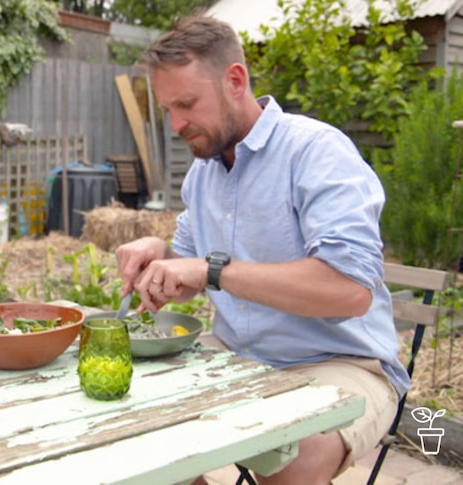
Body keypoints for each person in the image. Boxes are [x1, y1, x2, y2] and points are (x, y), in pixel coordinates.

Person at [115, 11, 405, 485]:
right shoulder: (204, 172)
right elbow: (187, 271)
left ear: (235, 80)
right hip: (235, 357)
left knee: (289, 458)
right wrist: (159, 254)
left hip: (339, 363)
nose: (176, 125)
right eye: (169, 110)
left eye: (186, 104)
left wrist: (211, 271)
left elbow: (350, 290)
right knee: (128, 431)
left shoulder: (316, 152)